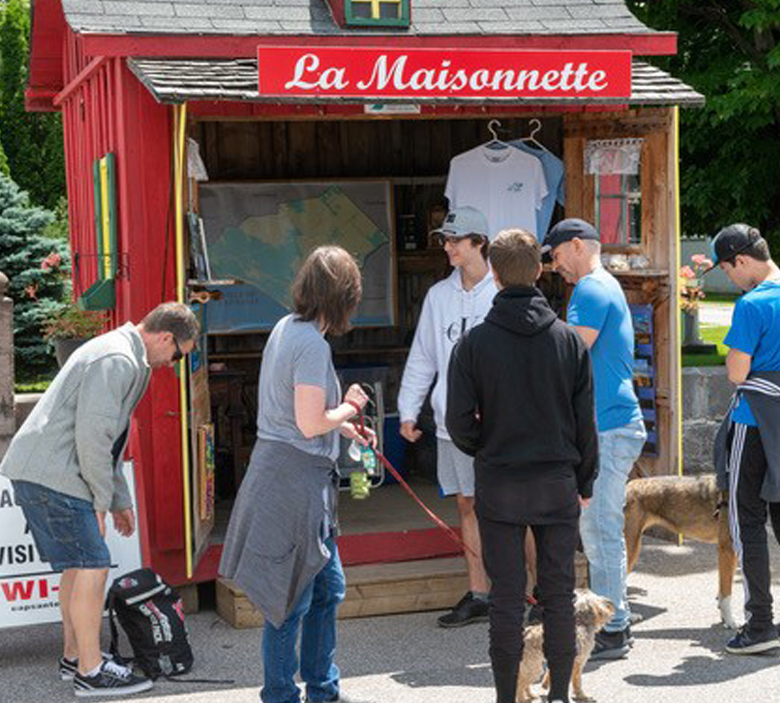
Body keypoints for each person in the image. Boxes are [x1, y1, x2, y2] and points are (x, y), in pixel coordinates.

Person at [0, 301, 199, 697]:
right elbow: (94, 438)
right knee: (92, 566)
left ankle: (75, 657)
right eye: (178, 355)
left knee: (78, 567)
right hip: (55, 475)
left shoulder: (124, 354)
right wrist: (102, 503)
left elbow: (113, 435)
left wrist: (118, 498)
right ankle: (90, 672)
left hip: (44, 471)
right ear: (165, 337)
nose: (173, 364)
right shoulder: (118, 359)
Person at [446, 228, 598, 703]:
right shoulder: (568, 341)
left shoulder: (473, 345)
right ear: (538, 271)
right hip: (557, 480)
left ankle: (505, 698)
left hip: (501, 480)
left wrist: (485, 446)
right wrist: (585, 478)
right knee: (557, 597)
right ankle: (557, 698)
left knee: (506, 600)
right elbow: (584, 423)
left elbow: (456, 422)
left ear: (493, 272)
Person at [219, 246, 375, 703]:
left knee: (328, 591)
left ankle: (323, 689)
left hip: (291, 476)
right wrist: (352, 405)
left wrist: (344, 427)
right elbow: (308, 423)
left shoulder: (289, 327)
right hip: (292, 483)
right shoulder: (310, 343)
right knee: (290, 602)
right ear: (344, 295)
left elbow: (299, 412)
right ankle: (282, 695)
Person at [709, 223, 780, 654]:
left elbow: (738, 373)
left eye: (727, 269)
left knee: (747, 521)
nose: (730, 279)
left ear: (740, 259)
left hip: (753, 420)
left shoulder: (752, 304)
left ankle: (759, 625)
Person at [545, 218, 646, 659]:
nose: (553, 263)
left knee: (600, 528)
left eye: (556, 253)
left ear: (577, 246)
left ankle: (615, 628)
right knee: (602, 526)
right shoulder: (603, 285)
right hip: (610, 424)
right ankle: (617, 614)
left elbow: (568, 355)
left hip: (607, 426)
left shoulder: (589, 289)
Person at [397, 206, 497, 628]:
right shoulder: (439, 295)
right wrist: (407, 408)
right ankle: (480, 593)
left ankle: (537, 591)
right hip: (449, 422)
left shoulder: (504, 289)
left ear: (479, 242)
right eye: (444, 239)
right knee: (466, 503)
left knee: (514, 506)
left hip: (499, 422)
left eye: (455, 239)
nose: (447, 246)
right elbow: (423, 355)